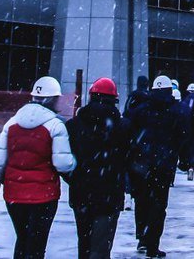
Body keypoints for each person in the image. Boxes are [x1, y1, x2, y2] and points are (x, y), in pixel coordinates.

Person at [0, 76, 75, 259]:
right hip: (44, 196)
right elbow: (63, 164)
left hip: (14, 195)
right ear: (53, 99)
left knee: (22, 238)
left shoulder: (11, 124)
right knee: (37, 243)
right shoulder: (56, 126)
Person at [123, 75, 189, 258]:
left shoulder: (140, 110)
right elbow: (183, 138)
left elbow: (128, 133)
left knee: (142, 201)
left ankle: (142, 238)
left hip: (141, 164)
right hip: (164, 165)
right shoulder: (178, 111)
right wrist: (183, 160)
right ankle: (152, 244)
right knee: (158, 205)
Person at [66, 77, 127, 259]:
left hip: (81, 193)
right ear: (114, 100)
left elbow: (64, 161)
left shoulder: (73, 126)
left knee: (83, 241)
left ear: (91, 96)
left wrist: (75, 177)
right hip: (109, 194)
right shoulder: (123, 127)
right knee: (101, 246)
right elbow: (129, 158)